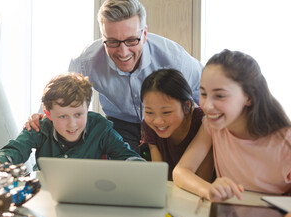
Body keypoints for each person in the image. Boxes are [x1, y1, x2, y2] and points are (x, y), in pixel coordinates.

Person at [24, 0, 203, 154]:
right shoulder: (86, 60)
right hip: (121, 127)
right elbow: (61, 95)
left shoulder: (173, 57)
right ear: (103, 38)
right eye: (113, 42)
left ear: (145, 34)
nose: (123, 52)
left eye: (131, 40)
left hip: (168, 126)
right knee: (123, 180)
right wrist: (41, 117)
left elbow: (205, 92)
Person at [173, 49, 291, 202]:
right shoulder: (212, 126)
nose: (207, 106)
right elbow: (181, 171)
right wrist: (210, 191)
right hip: (232, 213)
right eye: (203, 94)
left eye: (220, 96)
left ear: (249, 97)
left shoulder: (284, 141)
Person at [0, 72, 140, 170]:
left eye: (78, 114)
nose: (72, 124)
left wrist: (142, 170)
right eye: (63, 116)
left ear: (87, 108)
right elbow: (12, 152)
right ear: (48, 114)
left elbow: (127, 156)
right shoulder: (40, 127)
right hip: (46, 197)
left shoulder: (101, 127)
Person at [140, 68, 214, 181]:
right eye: (149, 112)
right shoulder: (149, 126)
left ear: (187, 106)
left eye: (166, 112)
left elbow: (203, 179)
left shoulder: (203, 122)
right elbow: (160, 177)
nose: (157, 121)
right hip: (176, 190)